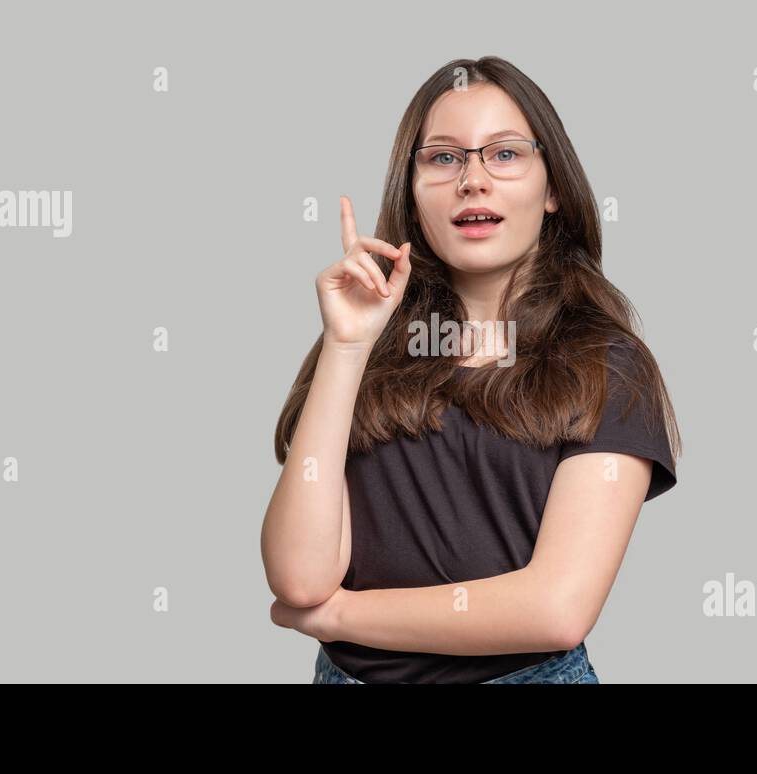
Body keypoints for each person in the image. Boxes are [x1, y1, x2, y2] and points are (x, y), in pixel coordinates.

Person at [262, 56, 681, 684]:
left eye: (504, 154)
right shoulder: (363, 349)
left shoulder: (605, 365)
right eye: (444, 158)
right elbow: (299, 578)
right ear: (411, 192)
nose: (472, 180)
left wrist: (339, 616)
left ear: (554, 189)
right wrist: (345, 348)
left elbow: (555, 611)